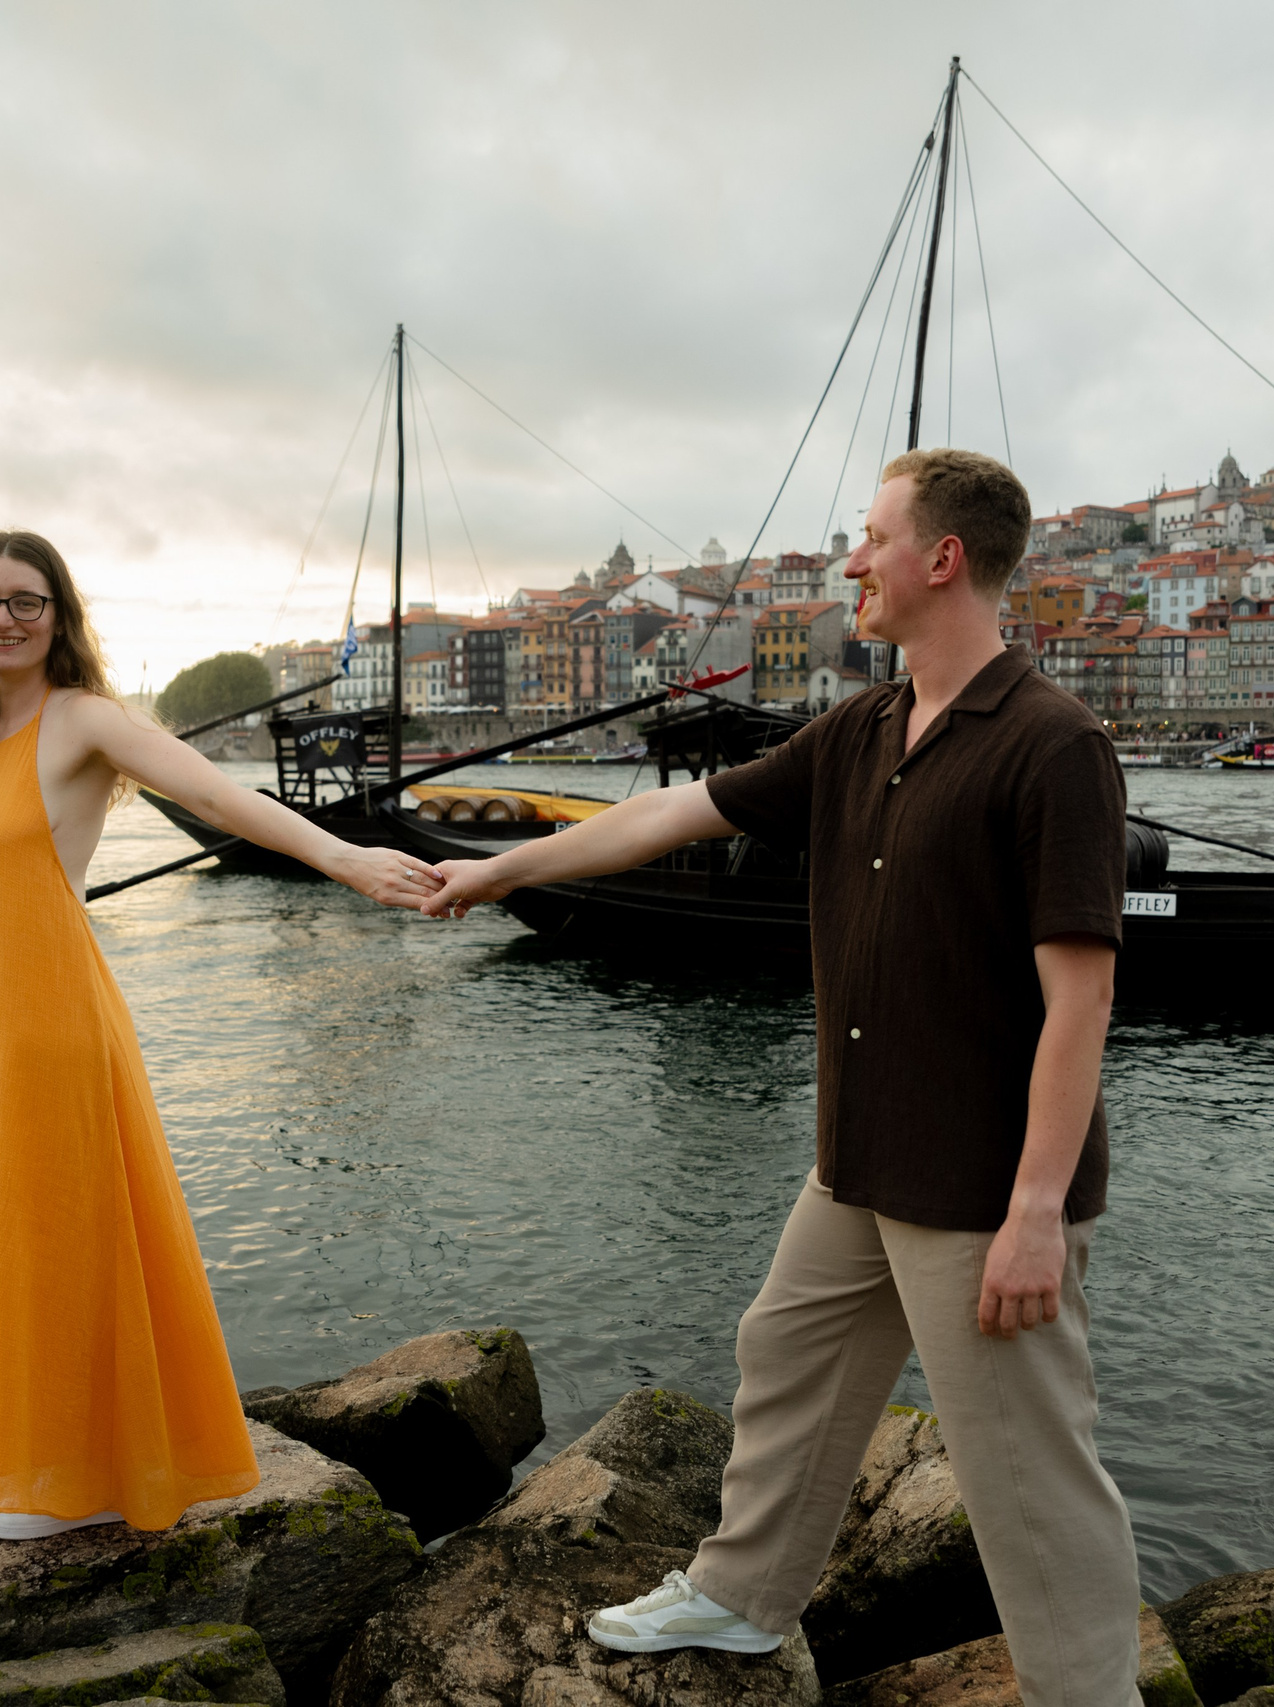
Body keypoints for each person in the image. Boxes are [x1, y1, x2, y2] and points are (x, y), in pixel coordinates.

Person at [421, 451, 1145, 1706]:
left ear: (943, 559)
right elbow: (672, 816)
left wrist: (1035, 1216)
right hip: (861, 1157)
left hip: (978, 1189)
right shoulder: (861, 729)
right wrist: (500, 871)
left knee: (1025, 1473)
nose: (849, 563)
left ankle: (1092, 1695)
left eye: (870, 538)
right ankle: (745, 1598)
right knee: (787, 1355)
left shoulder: (1053, 745)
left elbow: (1080, 1001)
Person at [0, 529, 439, 1541]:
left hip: (55, 1030)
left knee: (66, 1246)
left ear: (59, 616)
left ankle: (74, 1483)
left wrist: (343, 859)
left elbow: (215, 794)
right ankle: (51, 1464)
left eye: (25, 600)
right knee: (17, 1250)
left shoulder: (81, 721)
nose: (3, 617)